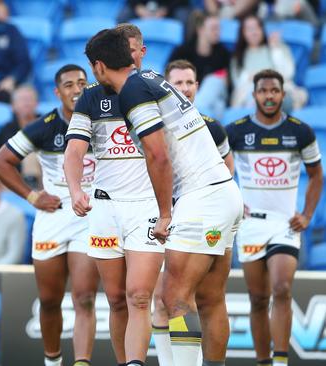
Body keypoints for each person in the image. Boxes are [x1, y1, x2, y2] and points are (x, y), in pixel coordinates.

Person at [84, 29, 242, 366]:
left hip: (200, 198)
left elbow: (158, 156)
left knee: (173, 298)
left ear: (98, 67)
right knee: (212, 299)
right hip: (225, 193)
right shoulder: (152, 78)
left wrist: (165, 214)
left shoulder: (132, 91)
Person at [65, 24, 165, 366]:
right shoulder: (91, 97)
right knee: (116, 299)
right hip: (105, 209)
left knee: (139, 296)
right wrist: (76, 190)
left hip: (148, 207)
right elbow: (75, 152)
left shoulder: (152, 87)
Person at [0, 64, 99, 366]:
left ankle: (82, 362)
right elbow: (2, 162)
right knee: (50, 301)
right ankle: (52, 361)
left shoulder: (104, 122)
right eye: (69, 85)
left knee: (85, 298)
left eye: (82, 83)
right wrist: (32, 196)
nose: (76, 89)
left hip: (89, 219)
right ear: (57, 92)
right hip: (53, 217)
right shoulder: (44, 125)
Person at [226, 69, 322, 366]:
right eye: (263, 90)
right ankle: (263, 361)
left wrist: (307, 214)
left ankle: (281, 362)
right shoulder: (236, 131)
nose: (269, 96)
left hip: (284, 223)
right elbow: (218, 171)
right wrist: (232, 201)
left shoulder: (301, 131)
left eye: (274, 91)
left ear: (283, 94)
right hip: (251, 224)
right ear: (254, 95)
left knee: (281, 288)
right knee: (258, 298)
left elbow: (317, 175)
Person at [150, 58, 235, 366]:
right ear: (166, 86)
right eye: (178, 83)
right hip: (161, 217)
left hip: (196, 214)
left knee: (198, 297)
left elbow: (227, 166)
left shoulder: (212, 127)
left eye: (189, 82)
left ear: (198, 86)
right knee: (163, 298)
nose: (184, 89)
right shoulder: (152, 120)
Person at [230, 14, 306, 111]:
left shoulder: (277, 47)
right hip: (251, 95)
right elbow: (238, 84)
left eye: (257, 27)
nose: (254, 32)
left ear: (262, 30)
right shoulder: (238, 57)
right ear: (243, 33)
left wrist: (275, 49)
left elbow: (288, 73)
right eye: (249, 29)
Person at [168, 11, 230, 119]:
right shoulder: (182, 52)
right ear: (200, 30)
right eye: (213, 28)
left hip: (212, 95)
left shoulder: (223, 53)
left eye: (219, 28)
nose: (218, 32)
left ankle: (192, 116)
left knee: (214, 81)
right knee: (218, 107)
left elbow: (227, 84)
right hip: (189, 96)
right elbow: (169, 78)